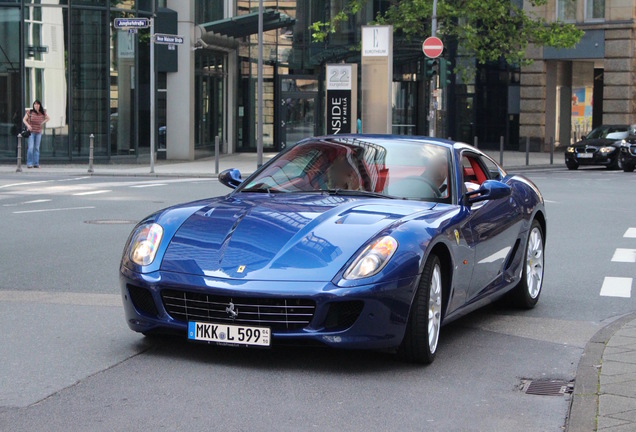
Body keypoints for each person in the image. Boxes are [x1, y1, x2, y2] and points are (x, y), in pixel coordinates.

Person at [22, 100, 50, 168]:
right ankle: (29, 163)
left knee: (36, 148)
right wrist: (28, 125)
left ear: (39, 105)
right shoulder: (30, 112)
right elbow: (24, 119)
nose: (36, 106)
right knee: (30, 148)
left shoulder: (42, 113)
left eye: (37, 104)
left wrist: (42, 123)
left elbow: (48, 118)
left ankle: (36, 163)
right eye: (35, 104)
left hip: (38, 132)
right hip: (31, 132)